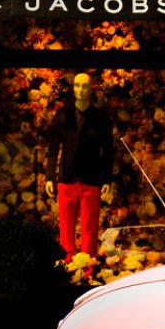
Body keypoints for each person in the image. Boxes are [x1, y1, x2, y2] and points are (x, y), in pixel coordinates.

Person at [45, 72, 115, 259]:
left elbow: (107, 150)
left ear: (91, 88)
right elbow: (53, 148)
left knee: (90, 227)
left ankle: (88, 268)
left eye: (84, 86)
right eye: (77, 85)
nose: (80, 90)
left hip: (91, 178)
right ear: (73, 88)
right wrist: (49, 177)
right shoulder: (62, 115)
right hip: (66, 177)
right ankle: (67, 265)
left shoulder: (100, 117)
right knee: (66, 227)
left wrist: (106, 178)